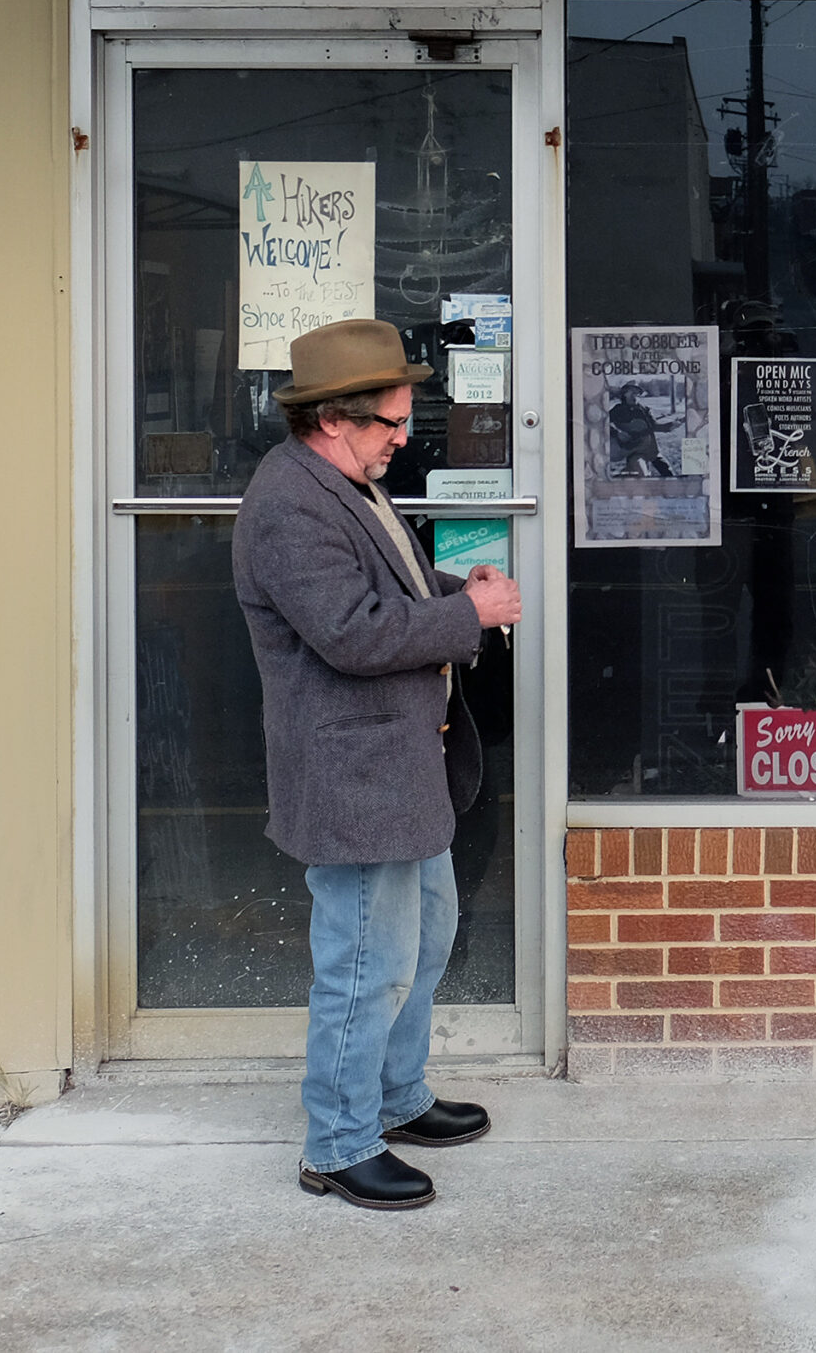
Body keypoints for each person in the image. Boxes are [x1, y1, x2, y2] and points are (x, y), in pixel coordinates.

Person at [233, 318, 523, 1212]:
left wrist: (459, 593)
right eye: (391, 421)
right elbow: (352, 632)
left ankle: (396, 1095)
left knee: (425, 936)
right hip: (355, 775)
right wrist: (470, 617)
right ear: (332, 417)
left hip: (398, 765)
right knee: (366, 958)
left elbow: (391, 590)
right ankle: (338, 1141)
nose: (404, 436)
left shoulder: (345, 481)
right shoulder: (289, 504)